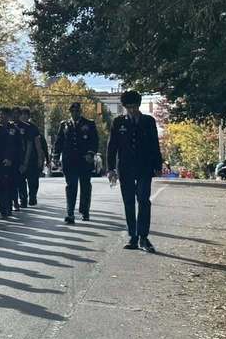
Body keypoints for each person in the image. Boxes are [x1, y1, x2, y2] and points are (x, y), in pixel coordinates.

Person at [107, 90, 162, 252]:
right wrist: (110, 168)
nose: (132, 110)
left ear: (139, 105)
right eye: (128, 107)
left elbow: (154, 145)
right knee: (129, 201)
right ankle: (133, 236)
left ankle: (144, 236)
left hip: (145, 166)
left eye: (134, 106)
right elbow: (112, 147)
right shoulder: (118, 122)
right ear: (124, 107)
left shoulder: (148, 121)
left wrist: (158, 165)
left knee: (144, 200)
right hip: (125, 167)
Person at [53, 101, 99, 224]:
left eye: (77, 111)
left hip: (84, 161)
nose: (74, 113)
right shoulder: (64, 125)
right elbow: (59, 141)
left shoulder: (89, 124)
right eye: (72, 111)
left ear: (80, 111)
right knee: (71, 186)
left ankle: (85, 210)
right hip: (69, 161)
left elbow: (94, 141)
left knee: (85, 186)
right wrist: (56, 156)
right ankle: (70, 213)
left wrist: (90, 153)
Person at [0, 107, 23, 218]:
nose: (1, 116)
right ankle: (2, 208)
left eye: (4, 114)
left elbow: (18, 147)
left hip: (12, 163)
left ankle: (9, 207)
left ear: (8, 116)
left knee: (11, 185)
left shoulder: (14, 129)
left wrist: (14, 160)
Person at [16, 107, 44, 206]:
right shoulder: (16, 126)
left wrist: (40, 158)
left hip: (32, 158)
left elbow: (37, 143)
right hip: (20, 158)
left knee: (33, 180)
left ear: (28, 116)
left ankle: (33, 196)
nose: (23, 117)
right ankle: (23, 199)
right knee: (21, 180)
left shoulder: (32, 127)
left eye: (25, 115)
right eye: (21, 114)